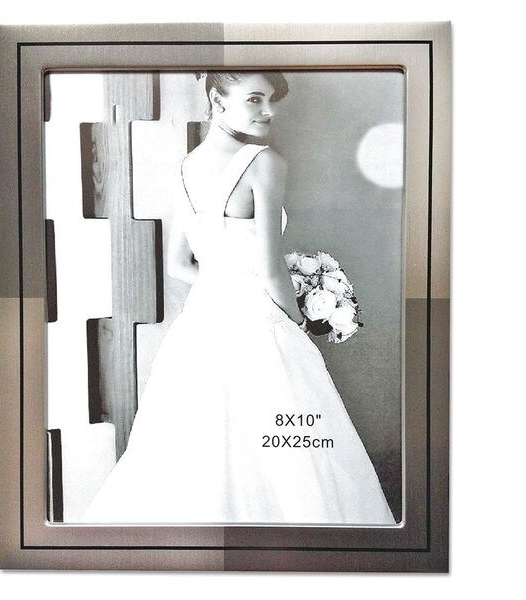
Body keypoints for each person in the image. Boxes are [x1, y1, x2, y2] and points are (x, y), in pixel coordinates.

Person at [82, 72, 395, 525]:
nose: (268, 111)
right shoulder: (264, 163)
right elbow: (269, 268)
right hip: (259, 325)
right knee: (288, 447)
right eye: (254, 99)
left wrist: (229, 287)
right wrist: (299, 321)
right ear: (217, 98)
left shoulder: (185, 167)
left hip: (201, 327)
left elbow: (178, 265)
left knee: (197, 447)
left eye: (272, 100)